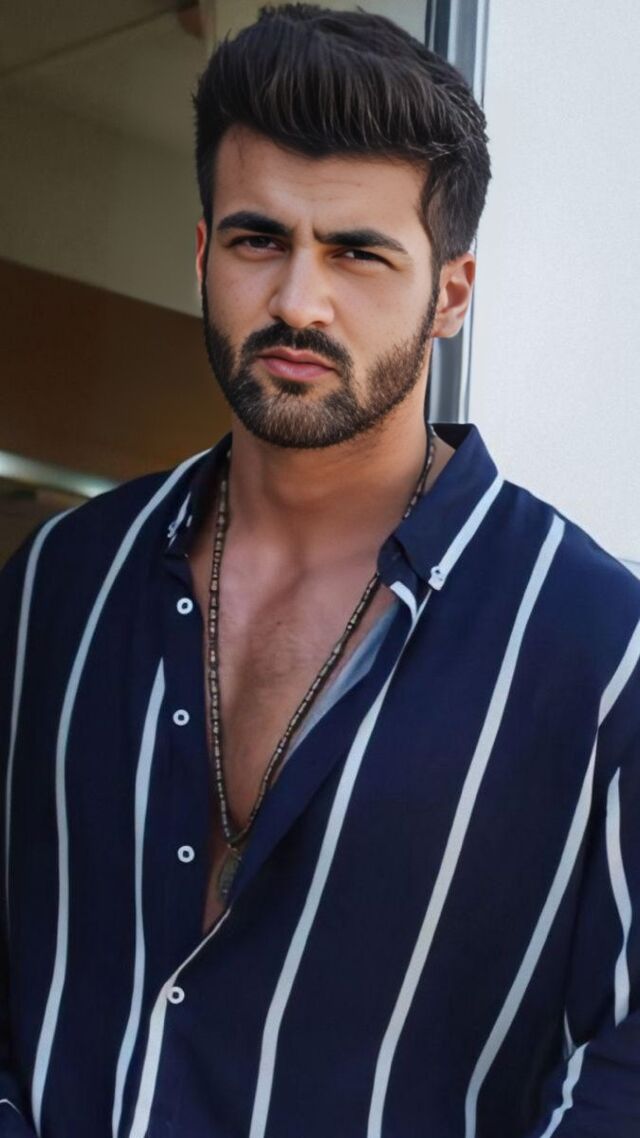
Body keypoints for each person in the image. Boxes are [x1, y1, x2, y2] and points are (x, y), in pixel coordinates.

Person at [1, 4, 638, 1136]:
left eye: (357, 252)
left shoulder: (601, 650)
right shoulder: (60, 582)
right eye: (259, 241)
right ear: (204, 254)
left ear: (450, 293)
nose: (299, 300)